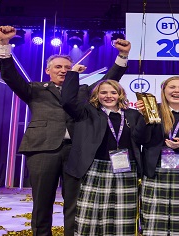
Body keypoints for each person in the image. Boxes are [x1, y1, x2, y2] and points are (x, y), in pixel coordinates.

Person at [0, 25, 131, 236]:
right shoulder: (34, 89)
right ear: (47, 70)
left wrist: (122, 56)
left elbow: (108, 81)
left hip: (76, 151)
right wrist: (4, 44)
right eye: (58, 67)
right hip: (42, 150)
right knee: (41, 203)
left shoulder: (83, 91)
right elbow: (10, 76)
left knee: (75, 205)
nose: (62, 70)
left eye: (67, 67)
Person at [61, 65, 143, 235]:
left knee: (122, 217)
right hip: (95, 168)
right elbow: (68, 101)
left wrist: (146, 116)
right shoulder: (87, 112)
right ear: (97, 96)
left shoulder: (133, 115)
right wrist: (73, 74)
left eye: (113, 92)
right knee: (91, 217)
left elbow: (142, 137)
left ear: (120, 95)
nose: (108, 96)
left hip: (126, 170)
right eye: (103, 93)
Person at [134, 76, 179, 236]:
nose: (176, 91)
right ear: (164, 91)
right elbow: (140, 139)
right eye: (172, 87)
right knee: (155, 223)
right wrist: (143, 116)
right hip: (155, 173)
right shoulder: (152, 110)